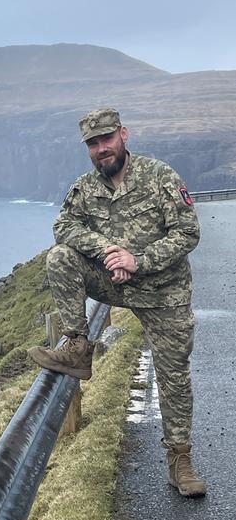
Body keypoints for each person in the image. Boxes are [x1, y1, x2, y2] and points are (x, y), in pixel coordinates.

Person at [28, 107, 206, 498]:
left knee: (173, 375)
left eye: (106, 139)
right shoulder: (84, 188)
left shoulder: (160, 177)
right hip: (114, 283)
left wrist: (138, 261)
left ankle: (180, 460)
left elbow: (188, 233)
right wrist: (109, 250)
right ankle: (78, 345)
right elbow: (63, 226)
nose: (101, 149)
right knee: (59, 257)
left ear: (124, 135)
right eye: (93, 143)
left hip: (164, 290)